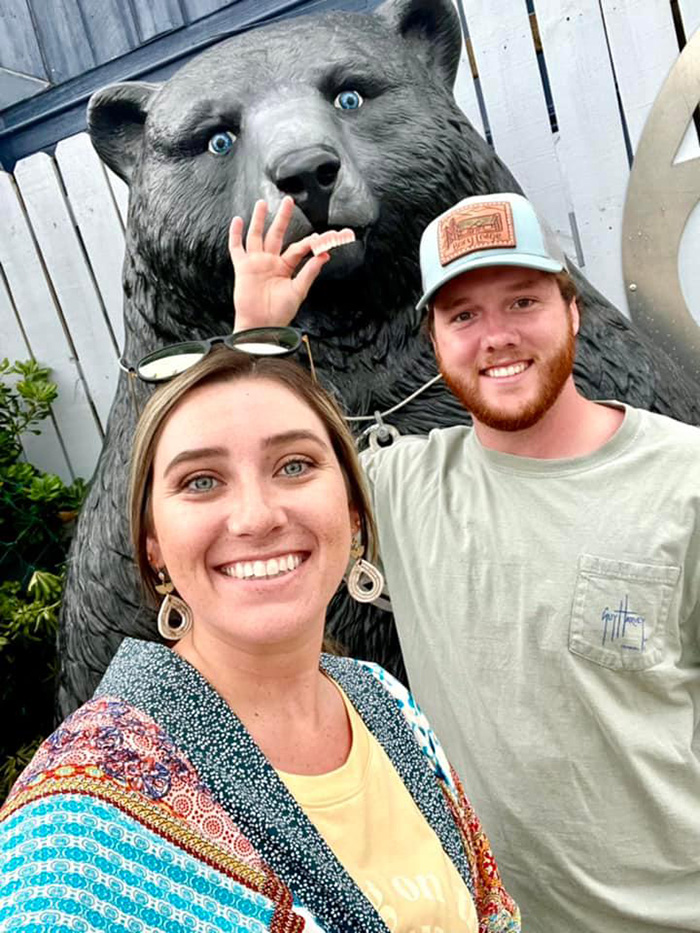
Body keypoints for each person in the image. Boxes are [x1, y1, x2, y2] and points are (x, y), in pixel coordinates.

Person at [230, 193, 700, 933]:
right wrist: (257, 335)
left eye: (522, 300)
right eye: (464, 316)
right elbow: (260, 481)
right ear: (434, 340)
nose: (497, 337)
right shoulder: (399, 489)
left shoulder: (685, 481)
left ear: (571, 310)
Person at [0, 343, 520, 932]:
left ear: (351, 508)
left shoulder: (382, 701)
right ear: (153, 545)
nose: (257, 516)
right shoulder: (77, 822)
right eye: (201, 481)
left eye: (294, 465)